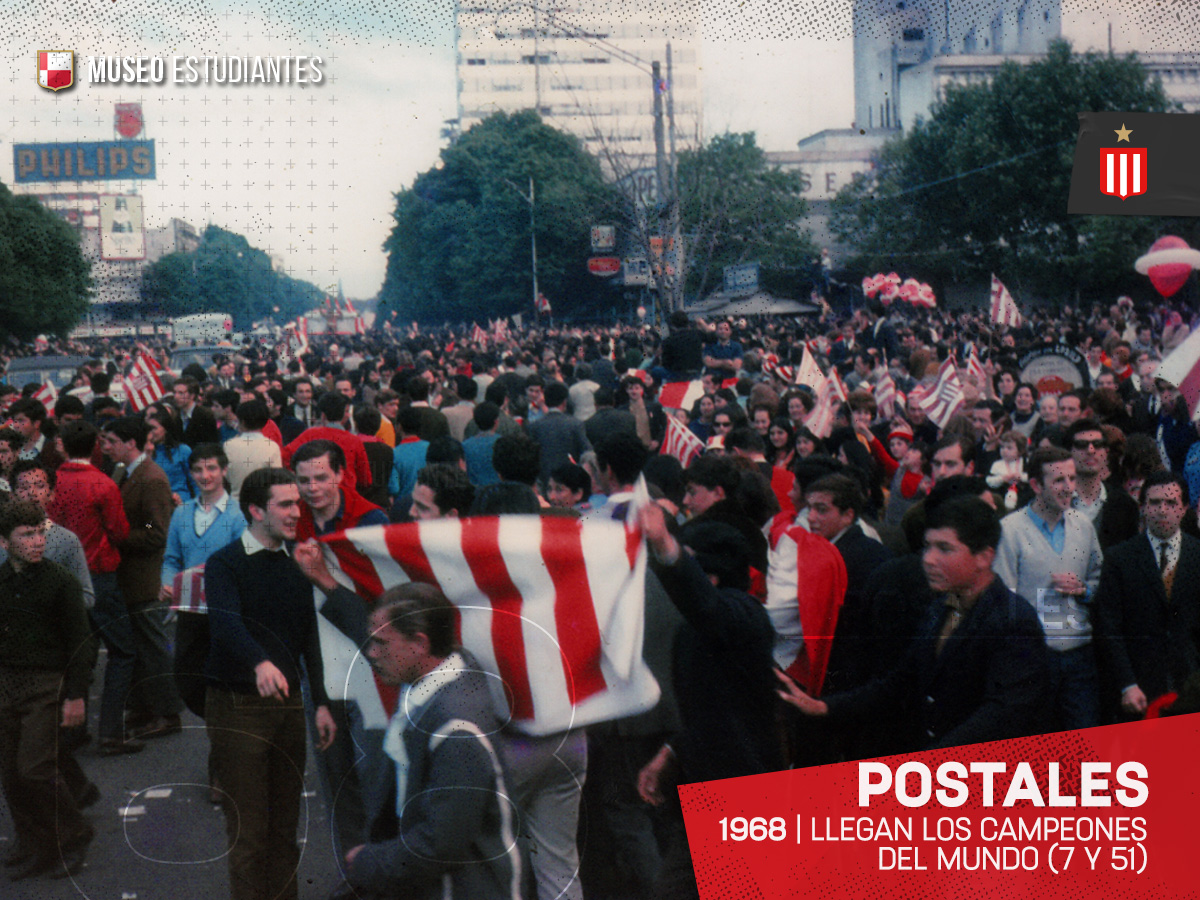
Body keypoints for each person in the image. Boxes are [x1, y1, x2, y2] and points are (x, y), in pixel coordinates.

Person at [777, 496, 1052, 752]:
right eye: (928, 546)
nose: (929, 559)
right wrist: (825, 706)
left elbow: (1002, 715)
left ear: (984, 556)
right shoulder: (943, 607)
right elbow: (902, 681)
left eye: (944, 548)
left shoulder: (1014, 622)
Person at [203, 467, 337, 900]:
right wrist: (259, 661)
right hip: (237, 706)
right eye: (285, 504)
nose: (296, 512)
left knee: (284, 828)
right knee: (249, 833)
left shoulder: (299, 562)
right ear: (256, 510)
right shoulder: (225, 563)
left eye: (296, 503)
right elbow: (226, 624)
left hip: (288, 706)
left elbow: (312, 639)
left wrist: (320, 702)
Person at [0, 500, 97, 880]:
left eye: (41, 532)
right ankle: (36, 842)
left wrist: (75, 695)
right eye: (27, 535)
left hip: (47, 685)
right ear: (5, 543)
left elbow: (81, 643)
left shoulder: (60, 582)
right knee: (10, 772)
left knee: (36, 768)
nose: (38, 541)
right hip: (7, 683)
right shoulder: (3, 582)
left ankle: (74, 834)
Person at [994, 446, 1104, 730]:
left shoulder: (1084, 526)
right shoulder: (1011, 530)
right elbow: (1003, 596)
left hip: (1079, 655)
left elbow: (1098, 577)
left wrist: (1083, 590)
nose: (1069, 488)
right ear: (1035, 485)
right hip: (1034, 658)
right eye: (1058, 481)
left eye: (1071, 478)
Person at [102, 416, 186, 742]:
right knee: (137, 646)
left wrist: (121, 536)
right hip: (129, 577)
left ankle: (167, 713)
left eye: (111, 441)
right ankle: (146, 708)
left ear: (130, 443)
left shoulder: (151, 479)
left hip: (144, 577)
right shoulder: (125, 471)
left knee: (153, 648)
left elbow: (156, 529)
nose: (106, 447)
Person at [1093, 471, 1200, 721]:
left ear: (1184, 508)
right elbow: (1108, 627)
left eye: (1171, 503)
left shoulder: (1198, 556)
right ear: (1142, 507)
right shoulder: (1119, 558)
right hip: (1136, 689)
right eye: (1154, 502)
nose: (1162, 510)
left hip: (1190, 686)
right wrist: (1126, 683)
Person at [224, 398, 283, 499]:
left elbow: (225, 477)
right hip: (262, 502)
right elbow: (276, 480)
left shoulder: (229, 445)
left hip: (235, 501)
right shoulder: (271, 446)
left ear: (241, 421)